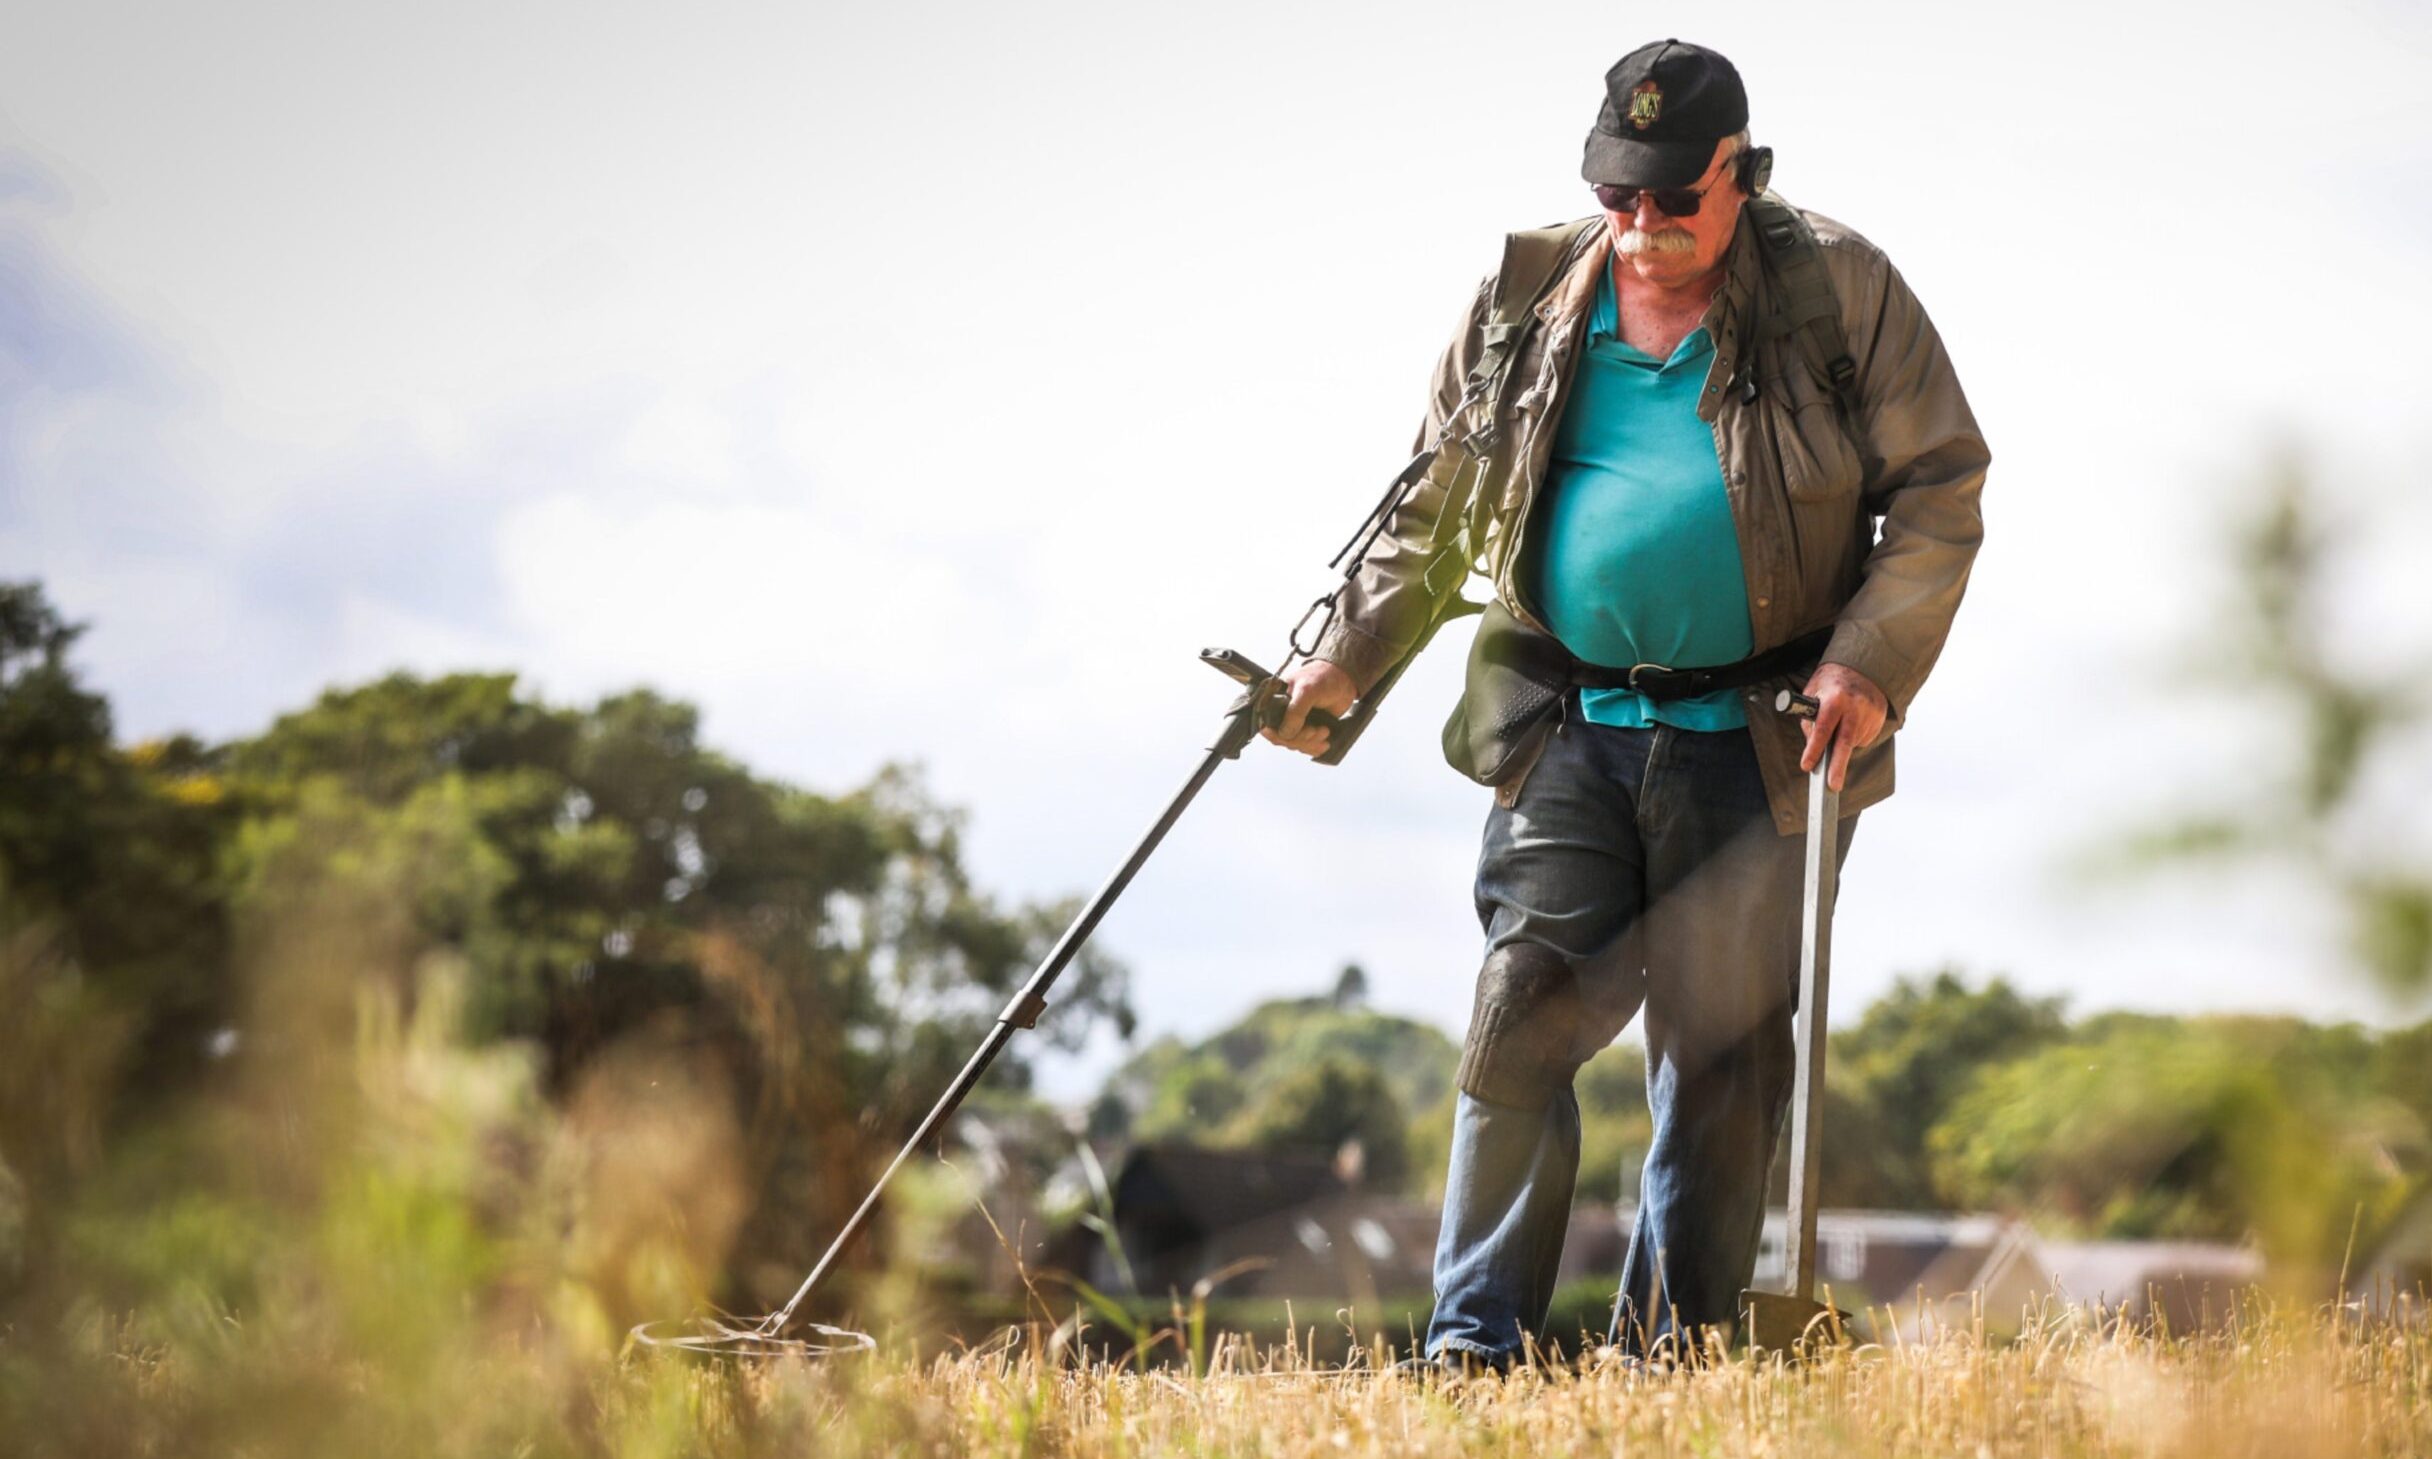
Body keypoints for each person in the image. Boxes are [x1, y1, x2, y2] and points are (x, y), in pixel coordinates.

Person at [1260, 38, 1987, 1368]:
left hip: (1763, 744)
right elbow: (1433, 503)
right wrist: (1342, 664)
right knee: (1517, 1019)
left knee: (1718, 1071)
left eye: (1674, 199)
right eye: (1619, 197)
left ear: (1741, 170)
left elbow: (1940, 487)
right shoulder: (1527, 290)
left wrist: (1870, 661)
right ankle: (1470, 1359)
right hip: (1568, 723)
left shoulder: (1842, 287)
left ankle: (1673, 1360)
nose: (1642, 228)